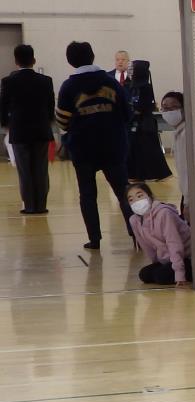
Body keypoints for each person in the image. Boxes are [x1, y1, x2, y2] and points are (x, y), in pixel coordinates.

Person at [56, 41, 133, 249]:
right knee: (123, 191)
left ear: (70, 61)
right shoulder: (111, 83)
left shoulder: (68, 86)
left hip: (83, 149)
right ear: (92, 56)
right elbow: (127, 114)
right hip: (113, 146)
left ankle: (95, 239)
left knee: (88, 195)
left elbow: (62, 121)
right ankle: (136, 232)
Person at [1, 44, 55, 214]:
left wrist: (6, 124)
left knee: (24, 171)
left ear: (16, 61)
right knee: (41, 170)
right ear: (34, 60)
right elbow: (50, 106)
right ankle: (41, 205)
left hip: (19, 131)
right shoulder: (46, 81)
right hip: (41, 130)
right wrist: (48, 122)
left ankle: (30, 206)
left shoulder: (8, 81)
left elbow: (3, 106)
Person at [125, 182, 191, 287]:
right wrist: (156, 263)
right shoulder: (134, 220)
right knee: (144, 274)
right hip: (167, 260)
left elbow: (174, 244)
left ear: (150, 196)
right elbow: (148, 248)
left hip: (185, 256)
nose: (136, 201)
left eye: (140, 196)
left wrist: (179, 273)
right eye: (131, 199)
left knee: (161, 276)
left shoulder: (164, 213)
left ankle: (187, 271)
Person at [123, 60, 172, 183]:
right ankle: (135, 174)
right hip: (135, 123)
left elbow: (144, 106)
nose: (129, 71)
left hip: (144, 124)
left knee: (148, 151)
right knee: (136, 150)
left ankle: (153, 174)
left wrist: (133, 110)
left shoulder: (145, 87)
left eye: (132, 69)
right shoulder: (132, 86)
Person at [160, 91, 191, 218]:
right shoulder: (179, 131)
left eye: (174, 107)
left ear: (184, 108)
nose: (169, 112)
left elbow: (187, 170)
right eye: (165, 108)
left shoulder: (186, 134)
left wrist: (188, 202)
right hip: (186, 194)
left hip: (190, 195)